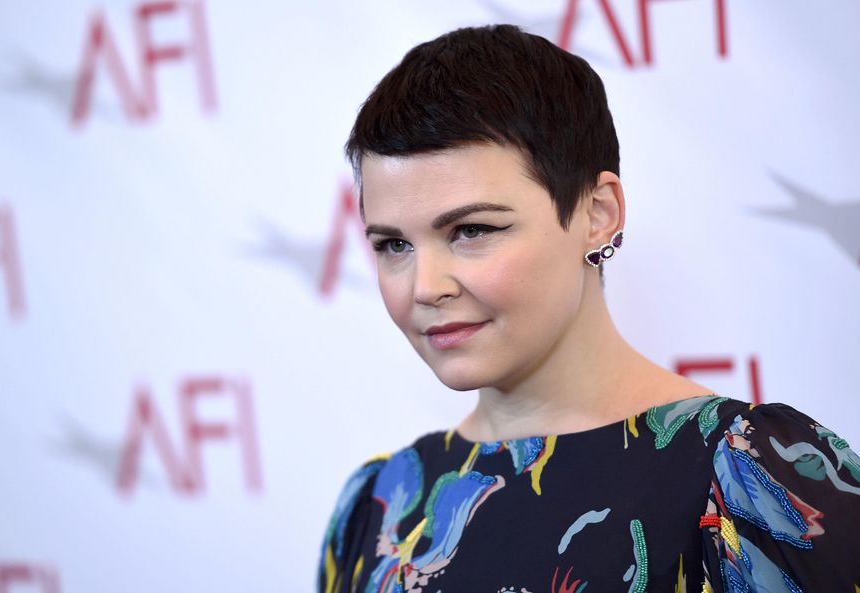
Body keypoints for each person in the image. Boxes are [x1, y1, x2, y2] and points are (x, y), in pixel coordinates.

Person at [318, 24, 860, 593]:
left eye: (472, 230)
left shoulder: (747, 476)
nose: (424, 286)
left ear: (598, 213)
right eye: (393, 245)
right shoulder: (378, 506)